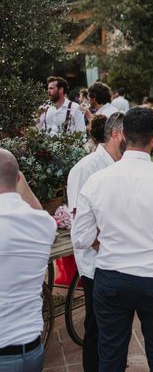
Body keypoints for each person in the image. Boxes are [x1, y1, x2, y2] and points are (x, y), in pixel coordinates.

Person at [71, 107, 153, 371]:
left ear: (124, 135)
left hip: (111, 278)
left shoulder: (96, 181)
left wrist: (107, 240)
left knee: (111, 357)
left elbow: (81, 238)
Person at [67, 112, 125, 372]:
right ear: (116, 134)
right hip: (97, 266)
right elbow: (83, 226)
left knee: (118, 329)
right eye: (129, 133)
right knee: (97, 330)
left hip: (122, 262)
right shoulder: (85, 169)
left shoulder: (124, 165)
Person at [0, 149, 57, 372]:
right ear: (18, 179)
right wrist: (18, 178)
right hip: (33, 349)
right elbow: (38, 210)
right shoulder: (44, 224)